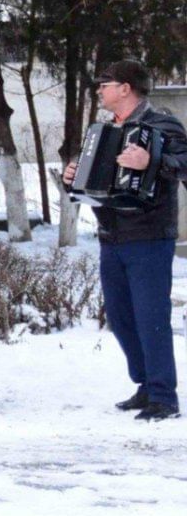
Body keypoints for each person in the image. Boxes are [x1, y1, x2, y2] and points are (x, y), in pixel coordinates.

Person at [61, 60, 185, 421]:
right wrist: (73, 177)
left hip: (148, 236)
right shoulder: (102, 131)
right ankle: (146, 384)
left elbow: (183, 162)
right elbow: (89, 180)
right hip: (111, 236)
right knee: (120, 316)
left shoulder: (161, 124)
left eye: (105, 84)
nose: (99, 90)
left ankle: (164, 396)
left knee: (151, 317)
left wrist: (152, 159)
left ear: (126, 88)